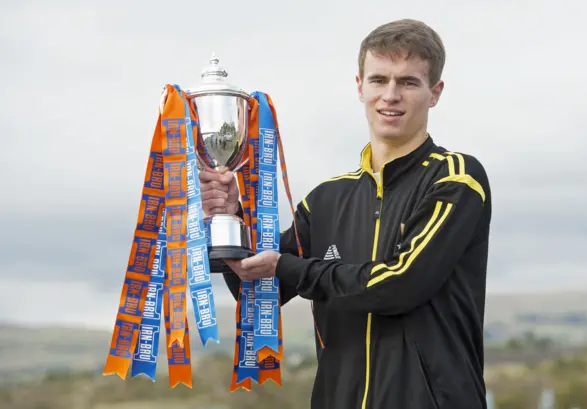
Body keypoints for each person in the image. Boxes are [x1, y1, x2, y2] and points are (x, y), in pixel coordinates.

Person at [199, 18, 492, 409]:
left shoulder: (457, 178)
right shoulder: (325, 200)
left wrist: (290, 267)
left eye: (408, 82)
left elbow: (401, 285)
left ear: (434, 93)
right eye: (378, 80)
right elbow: (255, 290)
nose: (390, 95)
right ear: (360, 87)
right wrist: (233, 218)